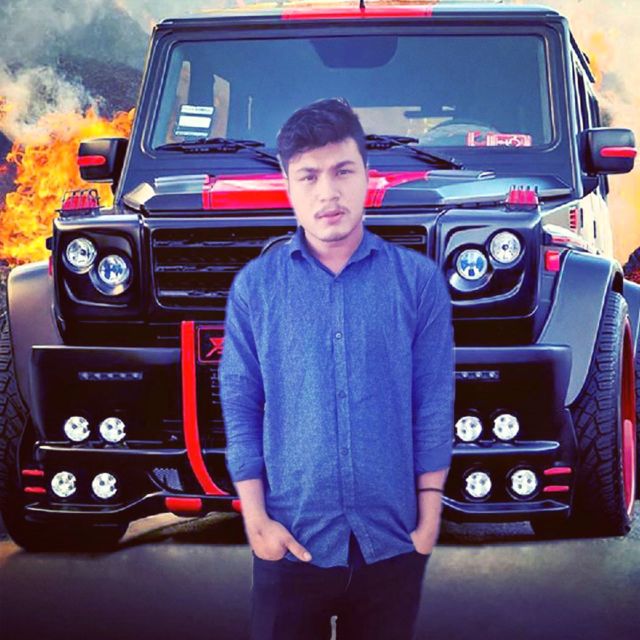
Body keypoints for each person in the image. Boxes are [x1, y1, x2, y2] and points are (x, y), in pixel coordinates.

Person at [219, 98, 454, 640]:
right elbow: (240, 401)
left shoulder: (417, 282)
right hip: (290, 543)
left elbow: (433, 400)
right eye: (309, 176)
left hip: (392, 545)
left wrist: (428, 518)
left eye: (343, 171)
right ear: (288, 186)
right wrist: (256, 520)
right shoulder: (256, 287)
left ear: (367, 175)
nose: (328, 192)